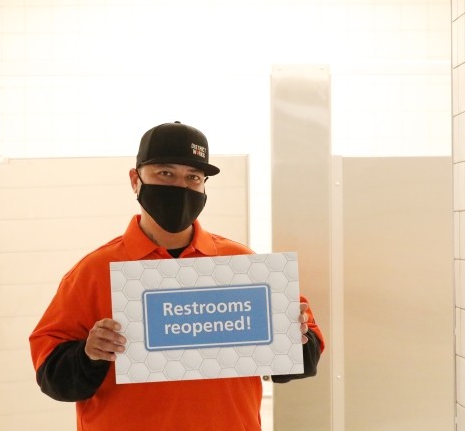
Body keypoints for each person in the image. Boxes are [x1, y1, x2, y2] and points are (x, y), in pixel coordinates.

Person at [29, 121, 324, 431]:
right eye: (166, 174)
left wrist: (295, 335)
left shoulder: (241, 265)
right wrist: (89, 354)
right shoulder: (93, 271)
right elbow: (52, 376)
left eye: (193, 177)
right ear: (135, 179)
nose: (180, 187)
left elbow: (305, 357)